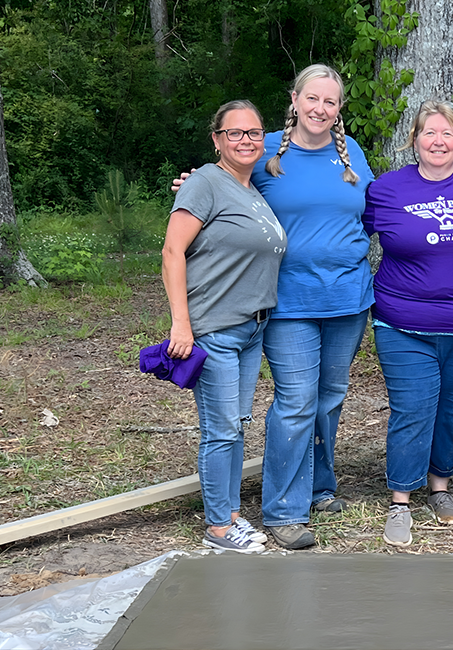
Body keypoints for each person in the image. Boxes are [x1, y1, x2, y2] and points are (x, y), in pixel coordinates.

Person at [172, 65, 375, 550]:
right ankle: (284, 509)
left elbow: (371, 211)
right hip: (288, 302)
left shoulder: (353, 155)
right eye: (313, 99)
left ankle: (318, 487)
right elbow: (221, 183)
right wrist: (189, 184)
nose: (320, 109)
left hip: (347, 297)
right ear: (295, 99)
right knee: (297, 402)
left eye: (331, 101)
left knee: (330, 398)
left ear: (339, 108)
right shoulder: (262, 152)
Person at [362, 100, 453, 547]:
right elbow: (334, 221)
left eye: (447, 133)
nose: (438, 141)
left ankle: (440, 486)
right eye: (429, 133)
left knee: (451, 409)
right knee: (413, 407)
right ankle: (401, 499)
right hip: (403, 322)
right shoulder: (385, 190)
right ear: (415, 140)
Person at [162, 100, 286, 553]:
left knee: (234, 424)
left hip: (250, 329)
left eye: (254, 133)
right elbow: (173, 252)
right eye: (235, 133)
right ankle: (218, 527)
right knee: (221, 429)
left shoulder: (252, 189)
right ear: (216, 139)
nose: (246, 140)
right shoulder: (205, 183)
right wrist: (182, 325)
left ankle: (231, 513)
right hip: (214, 327)